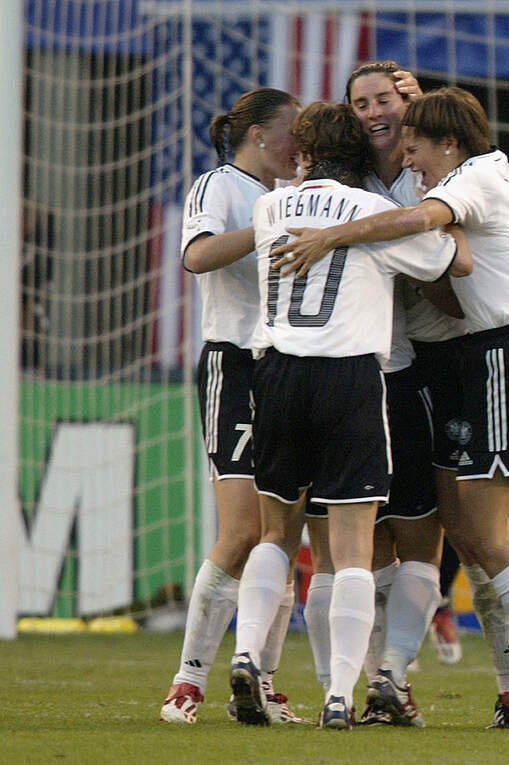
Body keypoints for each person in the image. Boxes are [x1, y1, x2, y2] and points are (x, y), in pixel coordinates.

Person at [273, 86, 509, 731]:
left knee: (485, 533)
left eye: (415, 144)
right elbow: (454, 280)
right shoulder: (479, 174)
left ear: (447, 141)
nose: (408, 157)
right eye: (363, 103)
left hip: (503, 354)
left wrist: (334, 237)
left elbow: (425, 227)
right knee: (506, 531)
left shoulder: (469, 180)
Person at [227, 101, 466, 730]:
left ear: (305, 153)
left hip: (277, 374)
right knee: (353, 549)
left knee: (277, 533)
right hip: (349, 378)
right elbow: (448, 262)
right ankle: (339, 694)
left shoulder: (270, 207)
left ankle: (247, 654)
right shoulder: (371, 213)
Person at [159, 87, 306, 726]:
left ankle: (262, 683)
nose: (300, 144)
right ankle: (187, 681)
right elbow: (196, 256)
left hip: (291, 368)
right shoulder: (219, 185)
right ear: (258, 135)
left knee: (283, 537)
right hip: (235, 365)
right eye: (293, 131)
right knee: (243, 531)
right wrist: (267, 228)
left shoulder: (297, 193)